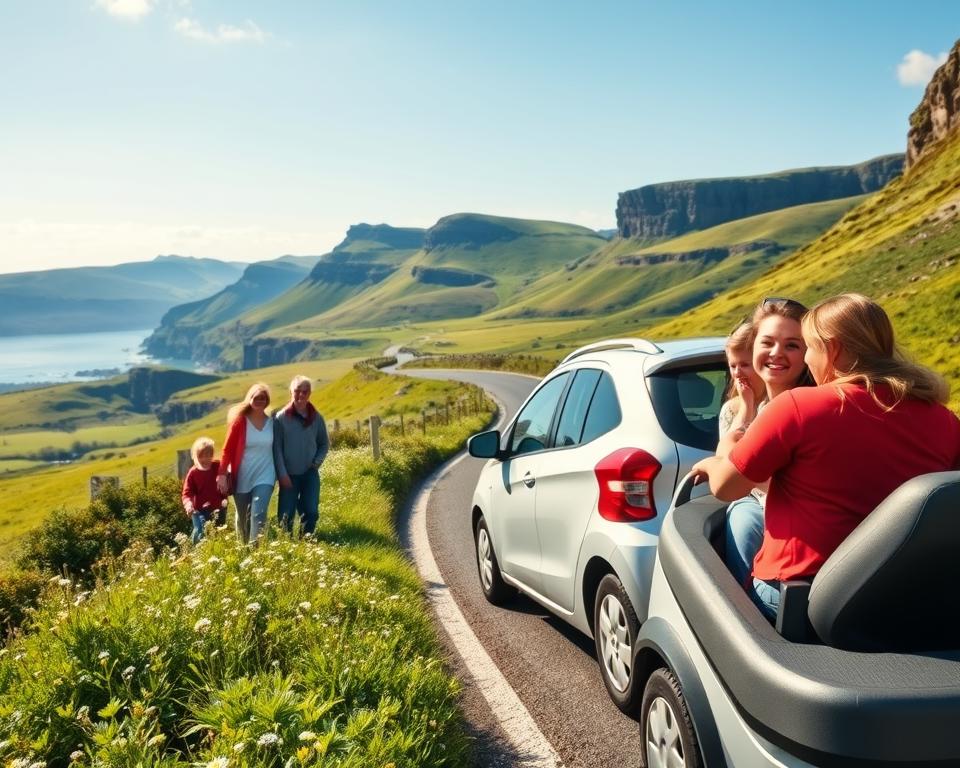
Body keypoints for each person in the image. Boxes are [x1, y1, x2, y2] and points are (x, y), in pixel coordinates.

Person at [693, 293, 960, 621]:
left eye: (809, 347)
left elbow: (726, 487)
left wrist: (714, 459)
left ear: (831, 349)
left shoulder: (798, 407)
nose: (807, 361)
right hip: (904, 597)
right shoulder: (943, 418)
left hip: (803, 597)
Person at [719, 298, 811, 588]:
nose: (776, 354)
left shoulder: (807, 406)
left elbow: (730, 475)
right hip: (776, 525)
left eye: (792, 345)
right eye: (767, 342)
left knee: (743, 522)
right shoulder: (761, 408)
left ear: (810, 353)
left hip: (798, 543)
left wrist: (714, 465)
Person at [217, 382, 276, 544]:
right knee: (243, 517)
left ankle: (255, 550)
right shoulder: (240, 422)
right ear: (249, 399)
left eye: (263, 398)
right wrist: (221, 474)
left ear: (267, 400)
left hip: (266, 474)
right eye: (256, 398)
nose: (259, 401)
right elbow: (227, 450)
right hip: (242, 475)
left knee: (258, 513)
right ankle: (243, 549)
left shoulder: (272, 423)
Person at [273, 375, 329, 536]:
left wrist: (316, 462)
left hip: (310, 473)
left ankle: (306, 542)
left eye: (305, 391)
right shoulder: (281, 418)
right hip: (288, 475)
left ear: (310, 393)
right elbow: (277, 449)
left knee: (311, 512)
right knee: (286, 516)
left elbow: (324, 443)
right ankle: (286, 547)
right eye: (297, 391)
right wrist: (282, 475)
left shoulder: (317, 418)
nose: (301, 395)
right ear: (291, 392)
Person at [181, 436, 229, 544]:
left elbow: (228, 472)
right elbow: (187, 492)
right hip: (199, 509)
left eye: (209, 455)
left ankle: (216, 552)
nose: (205, 459)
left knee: (218, 532)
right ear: (196, 456)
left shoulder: (217, 466)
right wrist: (188, 505)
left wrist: (225, 481)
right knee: (201, 532)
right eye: (201, 456)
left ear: (212, 455)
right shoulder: (193, 473)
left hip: (219, 507)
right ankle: (197, 551)